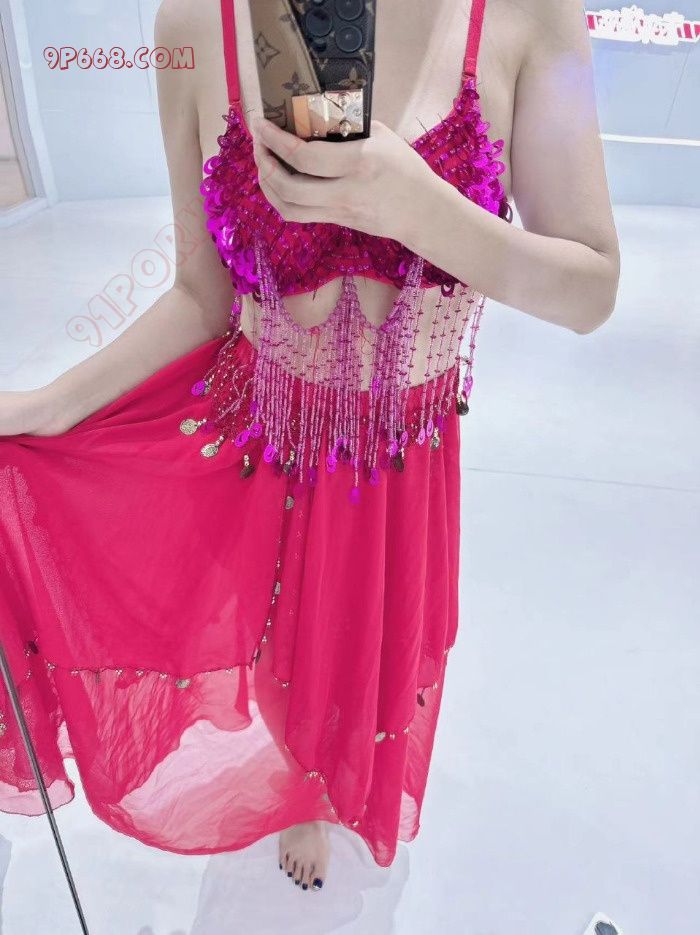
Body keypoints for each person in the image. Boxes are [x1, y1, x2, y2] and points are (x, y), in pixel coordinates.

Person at [0, 0, 619, 894]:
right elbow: (201, 296)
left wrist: (417, 207)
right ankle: (302, 784)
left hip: (403, 458)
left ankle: (325, 790)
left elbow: (591, 288)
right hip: (269, 437)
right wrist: (52, 404)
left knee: (379, 661)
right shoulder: (193, 24)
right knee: (278, 649)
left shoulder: (525, 15)